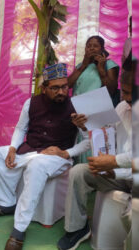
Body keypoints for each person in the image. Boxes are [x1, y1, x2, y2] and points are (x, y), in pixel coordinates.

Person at [0, 63, 90, 250]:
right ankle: (6, 203)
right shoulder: (31, 102)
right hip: (31, 150)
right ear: (44, 88)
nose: (61, 92)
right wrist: (12, 148)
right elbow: (20, 128)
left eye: (64, 86)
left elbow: (89, 141)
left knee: (37, 166)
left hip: (58, 157)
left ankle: (19, 229)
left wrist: (67, 152)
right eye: (55, 88)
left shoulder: (78, 106)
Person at [57, 61, 133, 250]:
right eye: (123, 92)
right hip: (118, 173)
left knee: (133, 215)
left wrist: (113, 162)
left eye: (130, 93)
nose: (125, 97)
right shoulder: (123, 107)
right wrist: (85, 127)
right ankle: (76, 229)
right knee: (79, 172)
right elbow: (105, 138)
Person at [68, 36, 120, 163]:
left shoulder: (109, 64)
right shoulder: (81, 66)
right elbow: (68, 84)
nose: (91, 48)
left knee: (97, 145)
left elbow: (112, 89)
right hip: (80, 113)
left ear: (102, 48)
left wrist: (101, 69)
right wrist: (84, 65)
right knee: (82, 144)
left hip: (98, 113)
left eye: (95, 45)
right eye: (88, 45)